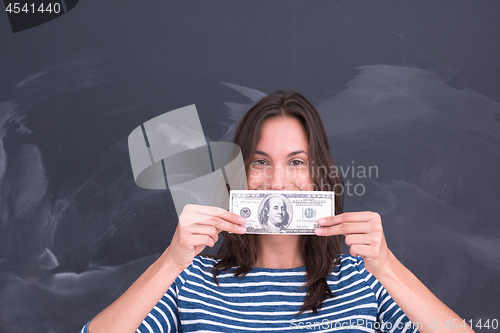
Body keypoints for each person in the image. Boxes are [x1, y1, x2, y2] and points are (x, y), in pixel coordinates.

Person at [81, 91, 473, 333]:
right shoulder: (190, 281)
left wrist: (387, 266)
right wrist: (170, 261)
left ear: (319, 175)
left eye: (297, 162)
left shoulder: (364, 279)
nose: (279, 181)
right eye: (261, 162)